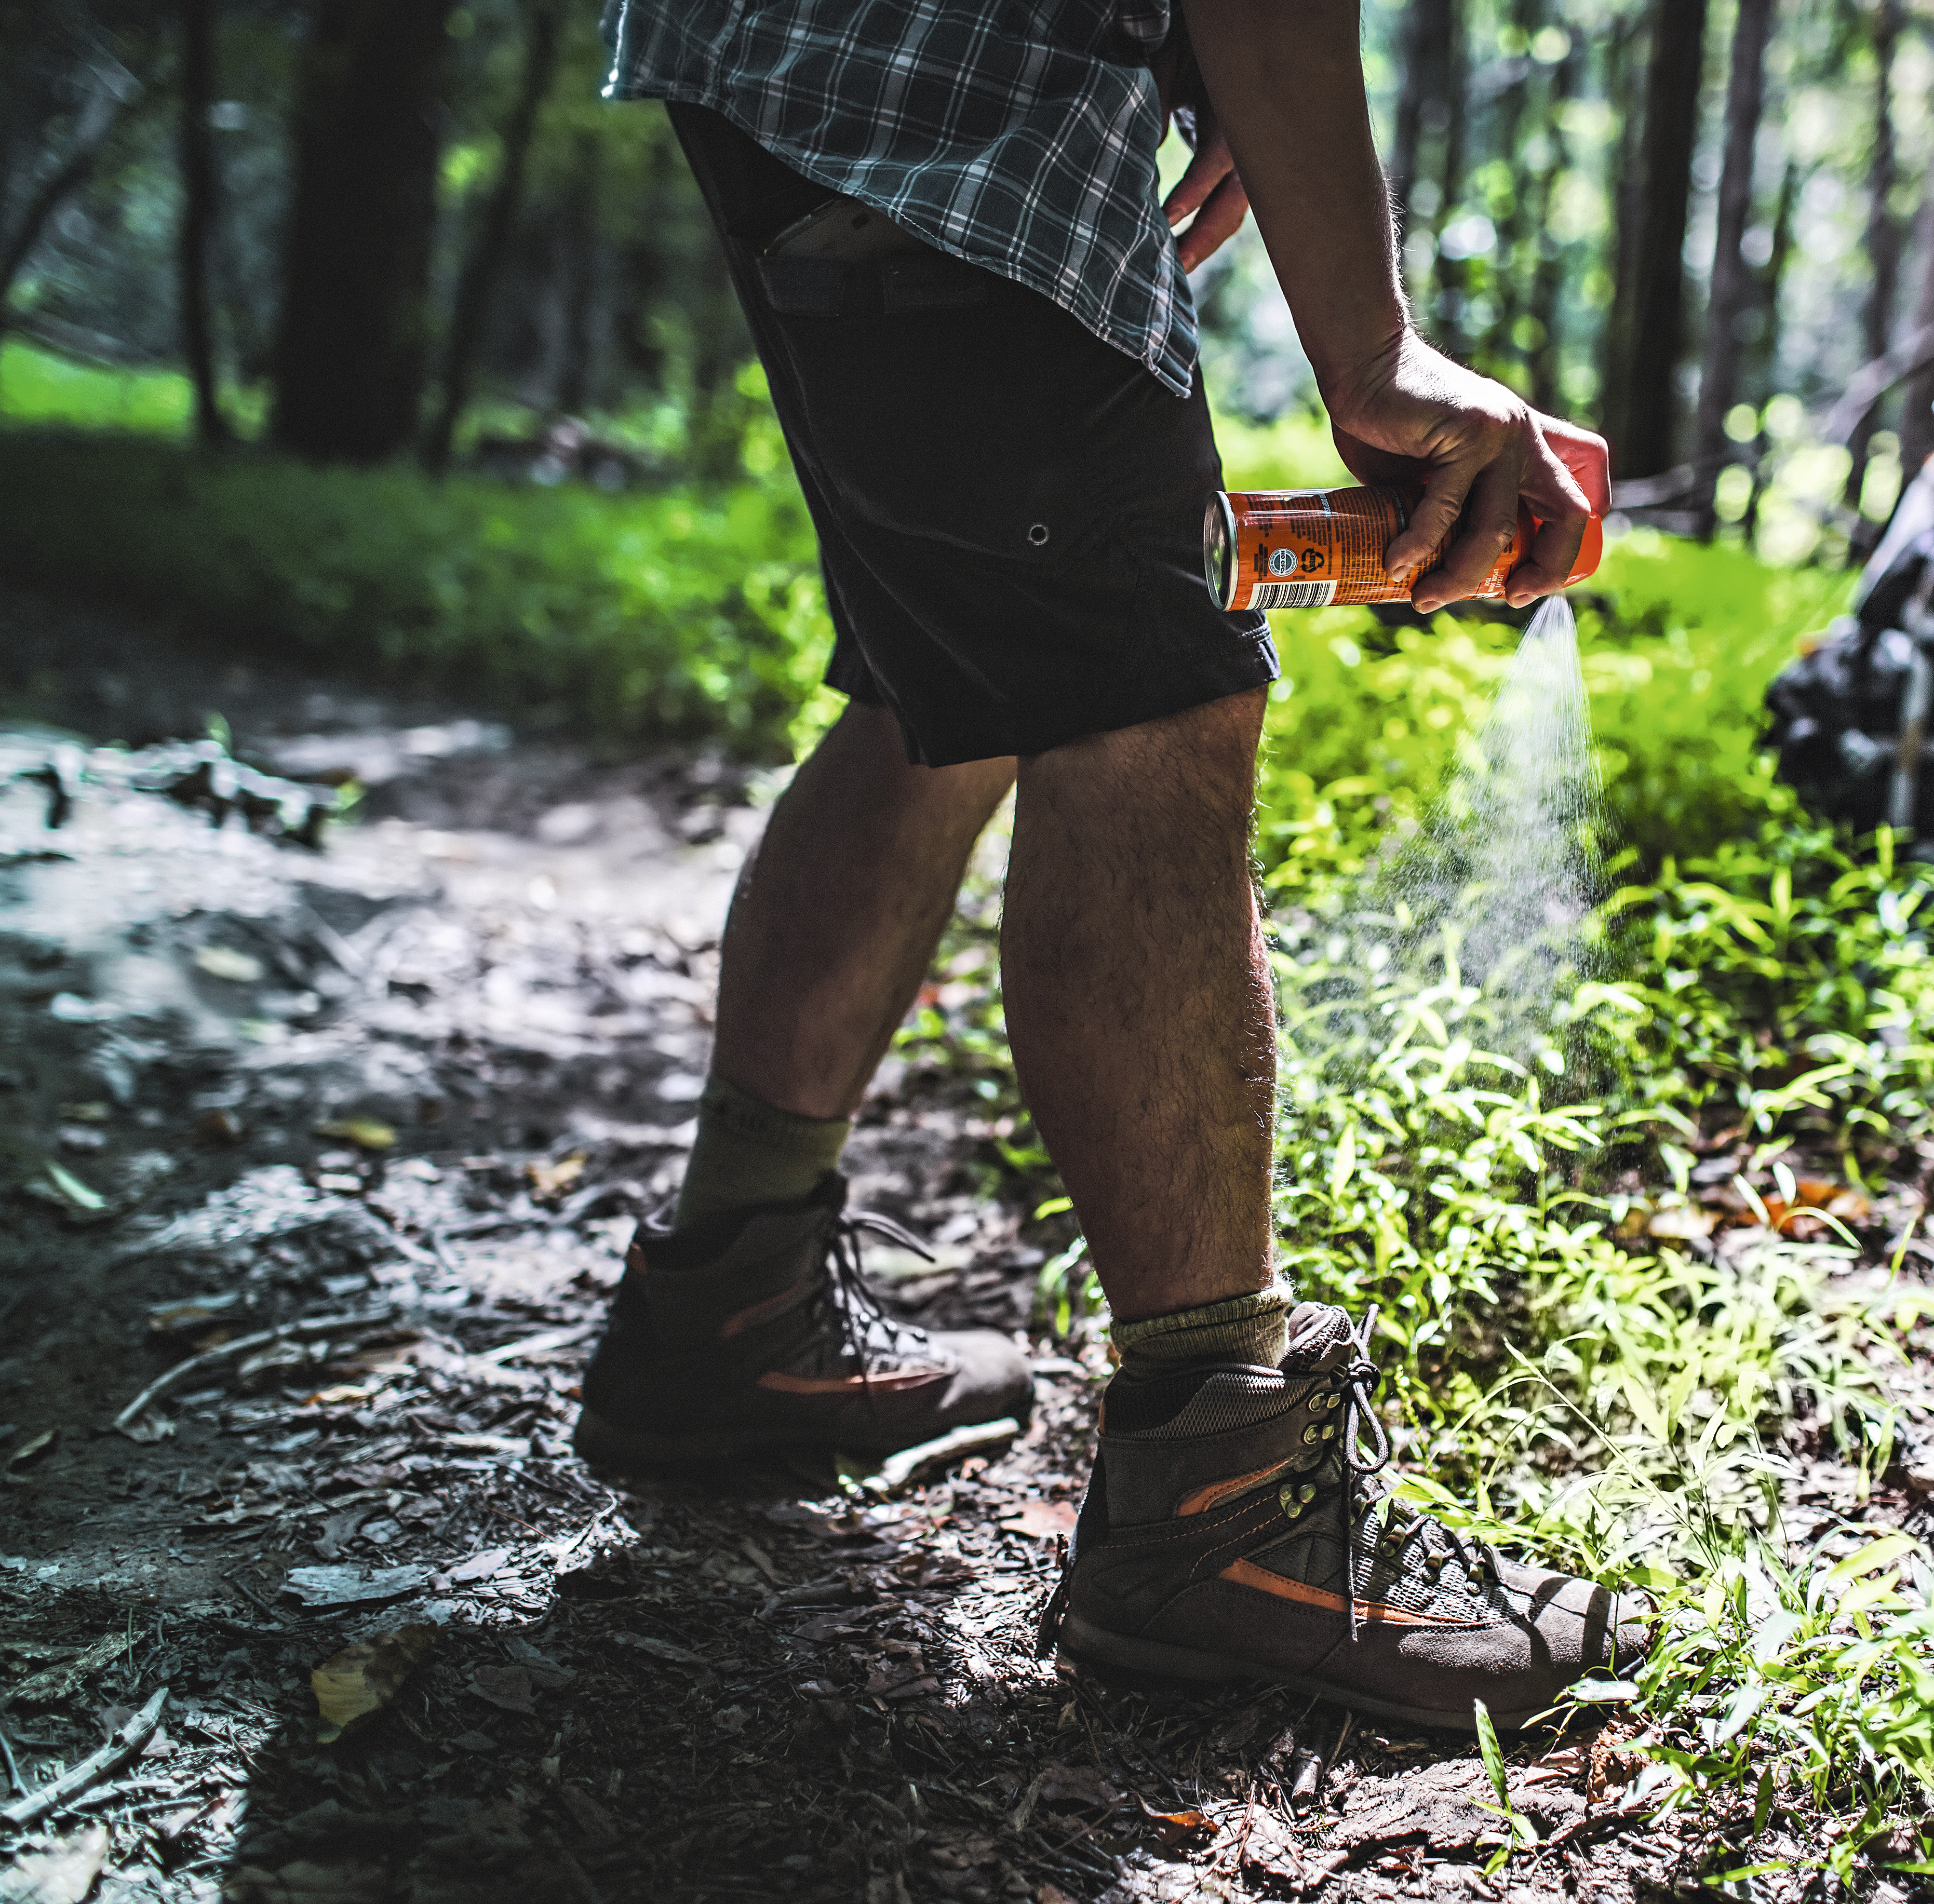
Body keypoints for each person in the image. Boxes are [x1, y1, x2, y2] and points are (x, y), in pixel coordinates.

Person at [574, 0, 1642, 1730]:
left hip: (830, 71)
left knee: (962, 678)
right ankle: (1223, 1510)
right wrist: (1372, 352)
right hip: (952, 94)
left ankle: (731, 1301)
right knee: (1151, 709)